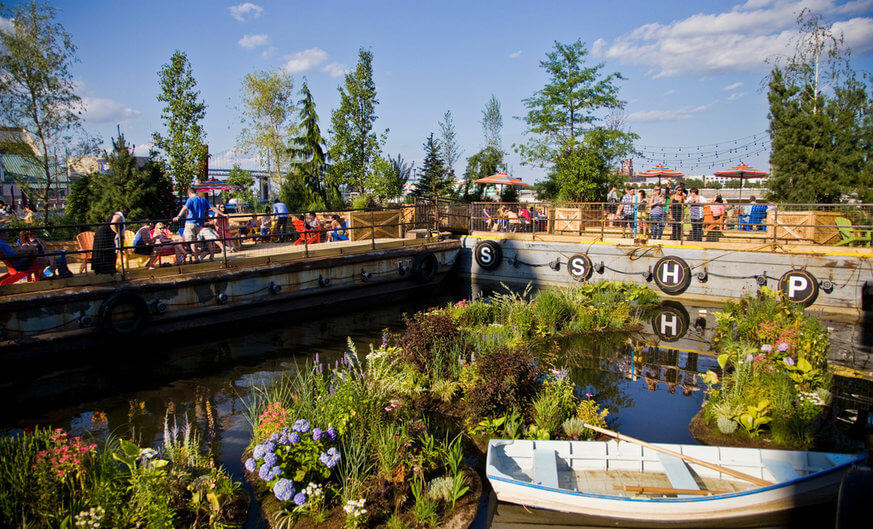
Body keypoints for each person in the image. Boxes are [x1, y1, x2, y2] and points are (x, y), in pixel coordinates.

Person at [173, 188, 210, 261]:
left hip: (191, 223)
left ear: (189, 193)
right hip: (199, 224)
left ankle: (195, 258)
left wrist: (178, 216)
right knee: (194, 241)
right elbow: (212, 208)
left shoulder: (190, 199)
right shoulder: (203, 200)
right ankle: (196, 256)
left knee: (190, 242)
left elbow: (184, 208)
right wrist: (223, 214)